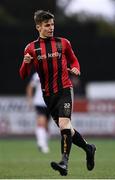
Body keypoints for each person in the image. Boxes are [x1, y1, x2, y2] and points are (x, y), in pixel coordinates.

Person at [19, 10, 96, 176]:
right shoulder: (31, 48)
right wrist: (25, 64)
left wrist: (76, 68)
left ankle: (64, 163)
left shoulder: (63, 43)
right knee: (68, 129)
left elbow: (73, 59)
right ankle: (89, 148)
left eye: (52, 24)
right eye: (47, 25)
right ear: (38, 27)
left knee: (63, 125)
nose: (51, 28)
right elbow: (23, 75)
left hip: (65, 90)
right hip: (48, 95)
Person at [26, 72, 50, 153]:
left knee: (46, 125)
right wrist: (29, 100)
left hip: (51, 103)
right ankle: (41, 143)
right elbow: (30, 87)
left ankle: (45, 143)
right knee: (41, 122)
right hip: (39, 102)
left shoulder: (56, 73)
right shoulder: (37, 75)